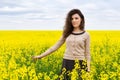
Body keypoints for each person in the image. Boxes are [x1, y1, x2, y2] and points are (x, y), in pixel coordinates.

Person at [32, 9, 91, 80]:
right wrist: (40, 56)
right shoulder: (67, 33)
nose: (74, 20)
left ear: (81, 19)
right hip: (67, 63)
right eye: (72, 19)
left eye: (76, 18)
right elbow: (54, 47)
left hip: (81, 63)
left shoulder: (86, 35)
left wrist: (88, 69)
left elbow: (87, 54)